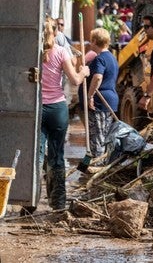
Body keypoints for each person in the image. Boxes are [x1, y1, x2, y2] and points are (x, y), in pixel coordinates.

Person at [41, 17, 90, 210]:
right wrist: (84, 71)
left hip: (38, 108)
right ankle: (58, 201)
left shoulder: (36, 52)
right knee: (57, 155)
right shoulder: (61, 52)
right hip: (57, 109)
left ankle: (31, 201)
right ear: (56, 32)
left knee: (37, 155)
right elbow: (75, 80)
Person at [84, 28, 119, 158]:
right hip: (111, 99)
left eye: (90, 40)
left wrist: (90, 96)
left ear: (95, 41)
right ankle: (103, 161)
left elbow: (98, 77)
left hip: (100, 100)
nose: (89, 43)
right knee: (105, 134)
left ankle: (96, 163)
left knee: (97, 136)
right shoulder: (112, 57)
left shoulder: (100, 59)